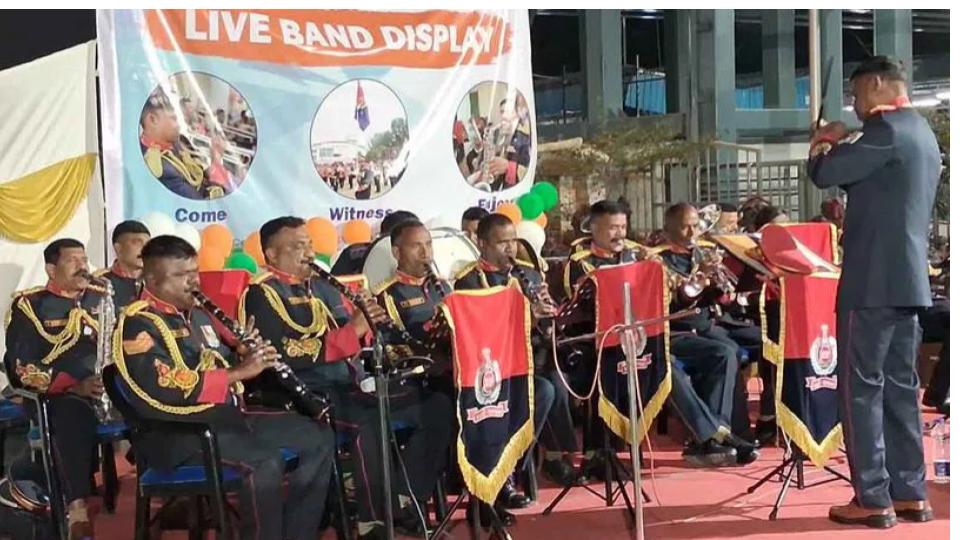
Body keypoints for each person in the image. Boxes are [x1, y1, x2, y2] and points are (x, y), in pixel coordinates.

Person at [114, 235, 335, 540]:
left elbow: (217, 360)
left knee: (318, 436)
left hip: (224, 419)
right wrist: (238, 372)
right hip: (177, 433)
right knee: (264, 463)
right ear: (151, 278)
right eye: (180, 276)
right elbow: (164, 385)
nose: (192, 282)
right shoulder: (138, 324)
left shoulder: (198, 315)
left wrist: (243, 354)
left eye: (194, 272)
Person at [808, 55, 940, 527]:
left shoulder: (885, 131)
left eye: (860, 92)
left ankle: (872, 496)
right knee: (902, 389)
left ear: (879, 84)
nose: (857, 104)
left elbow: (824, 174)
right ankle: (910, 491)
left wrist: (824, 143)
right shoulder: (923, 133)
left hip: (870, 282)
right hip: (908, 282)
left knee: (861, 389)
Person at [454, 213, 581, 501]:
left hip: (530, 356)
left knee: (557, 380)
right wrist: (526, 315)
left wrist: (549, 315)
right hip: (495, 368)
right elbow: (480, 332)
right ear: (482, 243)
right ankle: (506, 472)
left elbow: (547, 324)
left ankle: (533, 461)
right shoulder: (470, 281)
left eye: (513, 241)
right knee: (543, 390)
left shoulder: (529, 273)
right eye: (502, 243)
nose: (510, 249)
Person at [3, 239, 108, 539]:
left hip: (105, 387)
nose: (82, 265)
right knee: (69, 413)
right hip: (56, 394)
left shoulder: (101, 298)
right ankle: (76, 508)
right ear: (51, 269)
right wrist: (73, 386)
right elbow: (22, 365)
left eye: (84, 258)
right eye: (72, 260)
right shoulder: (30, 305)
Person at [650, 203, 760, 465]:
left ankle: (720, 434)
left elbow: (720, 299)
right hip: (673, 330)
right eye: (685, 226)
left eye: (695, 225)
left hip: (703, 326)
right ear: (669, 229)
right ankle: (719, 435)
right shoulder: (658, 259)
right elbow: (674, 301)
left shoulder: (703, 251)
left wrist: (722, 289)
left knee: (729, 350)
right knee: (725, 351)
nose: (692, 231)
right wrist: (698, 282)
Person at [139, 92, 220, 200]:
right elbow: (201, 205)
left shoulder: (175, 144)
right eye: (174, 118)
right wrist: (217, 165)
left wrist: (214, 160)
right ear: (153, 120)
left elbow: (200, 176)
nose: (179, 125)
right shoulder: (162, 170)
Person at [95, 220, 151, 310]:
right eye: (137, 243)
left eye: (148, 244)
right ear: (118, 248)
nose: (145, 249)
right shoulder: (99, 283)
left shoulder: (157, 282)